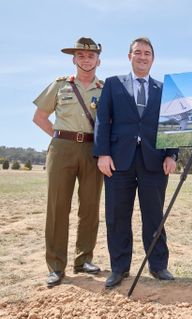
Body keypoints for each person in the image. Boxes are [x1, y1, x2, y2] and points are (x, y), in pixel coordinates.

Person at [94, 37, 178, 288]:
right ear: (129, 56)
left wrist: (172, 154)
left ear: (153, 58)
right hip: (118, 161)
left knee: (154, 216)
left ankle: (158, 265)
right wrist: (102, 153)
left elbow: (172, 124)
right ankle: (119, 268)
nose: (142, 57)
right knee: (118, 216)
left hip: (154, 161)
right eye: (138, 52)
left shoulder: (164, 90)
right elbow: (101, 120)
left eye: (147, 53)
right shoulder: (112, 84)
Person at [32, 37, 104, 287]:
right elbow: (40, 117)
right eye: (81, 56)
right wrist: (58, 135)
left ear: (98, 60)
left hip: (92, 149)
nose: (86, 59)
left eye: (91, 56)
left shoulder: (104, 90)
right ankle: (55, 265)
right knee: (58, 207)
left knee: (90, 207)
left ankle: (83, 259)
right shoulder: (60, 85)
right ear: (74, 59)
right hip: (62, 148)